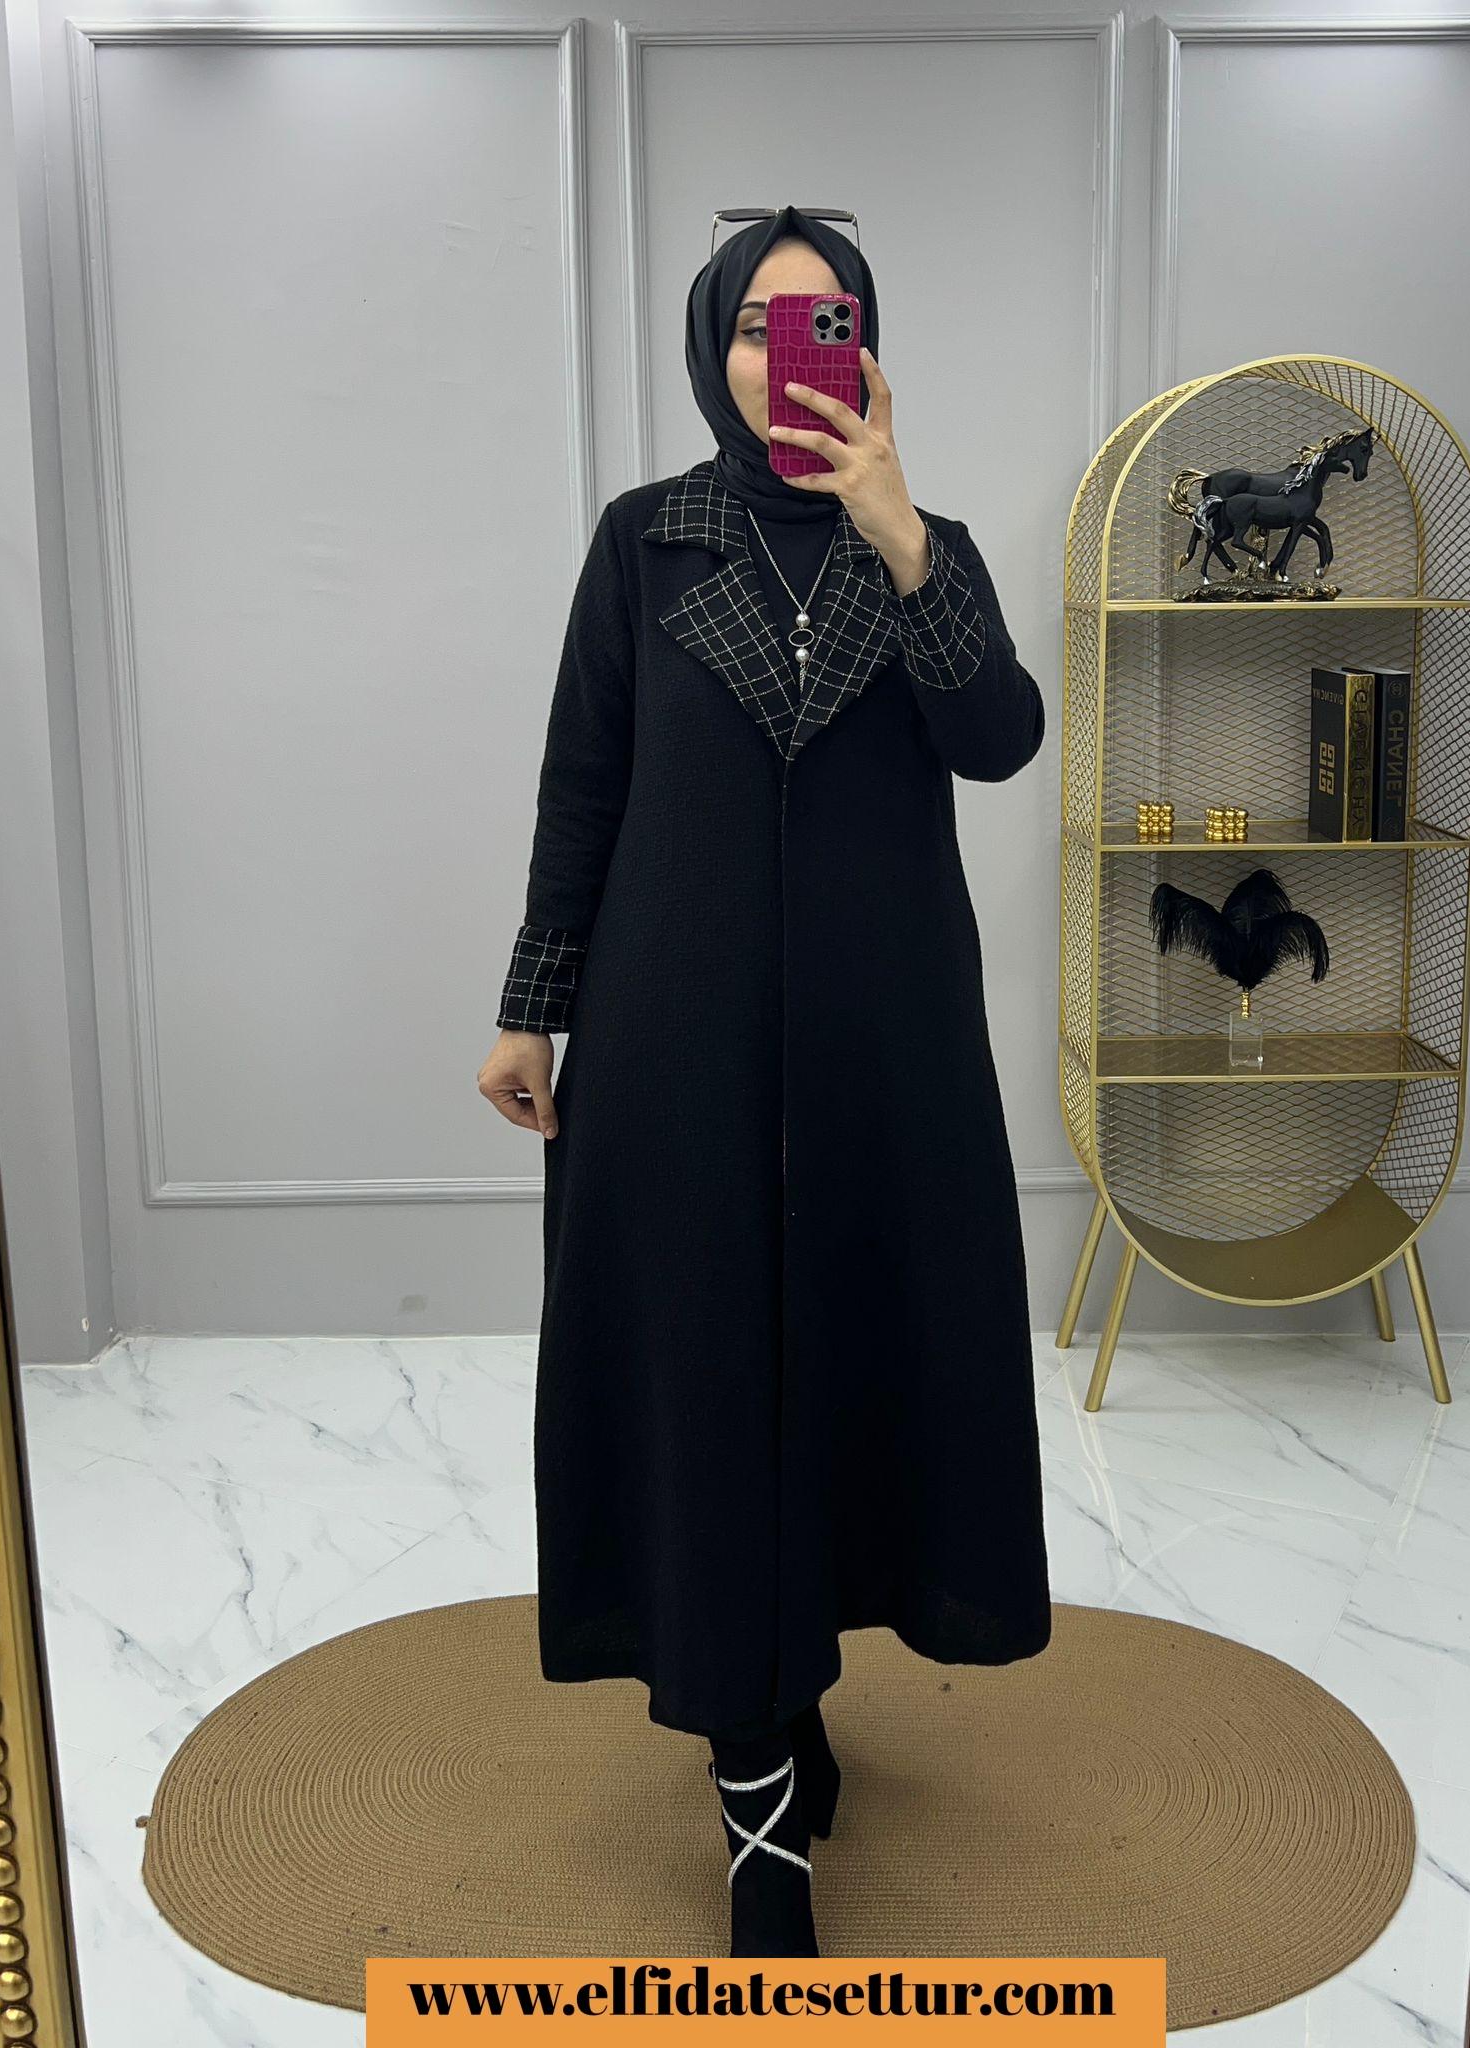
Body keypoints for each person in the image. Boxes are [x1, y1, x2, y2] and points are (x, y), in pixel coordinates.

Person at [478, 205, 1051, 1959]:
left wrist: (900, 540)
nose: (785, 353)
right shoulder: (642, 542)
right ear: (712, 346)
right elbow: (584, 780)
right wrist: (530, 1007)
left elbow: (996, 740)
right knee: (708, 1373)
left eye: (826, 322)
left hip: (886, 1046)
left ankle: (798, 1684)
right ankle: (756, 1793)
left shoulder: (928, 542)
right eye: (755, 325)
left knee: (861, 1364)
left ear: (866, 351)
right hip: (678, 1034)